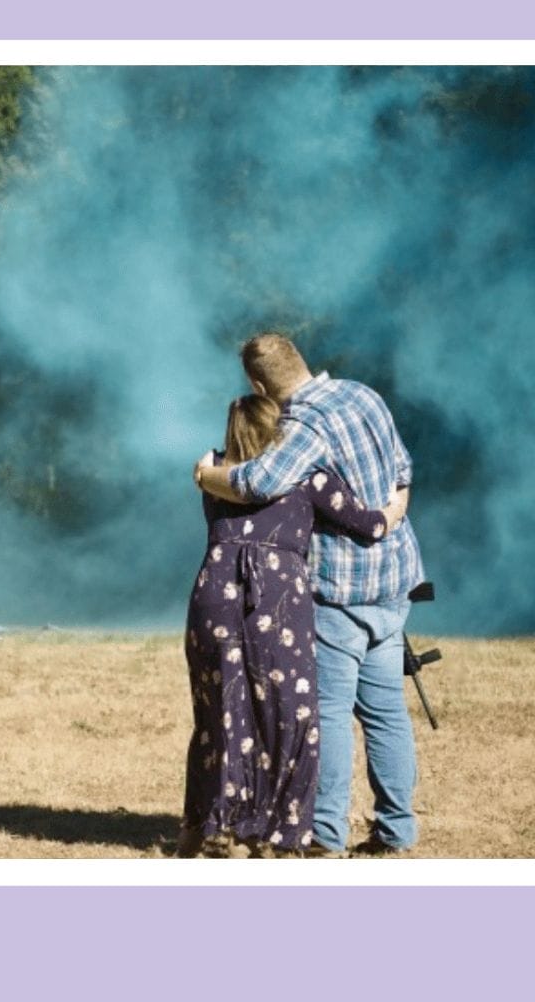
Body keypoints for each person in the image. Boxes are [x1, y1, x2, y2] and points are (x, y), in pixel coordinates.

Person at [194, 333, 426, 856]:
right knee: (387, 711)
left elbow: (257, 481)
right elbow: (404, 471)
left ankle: (325, 835)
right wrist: (391, 517)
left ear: (259, 385)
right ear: (300, 359)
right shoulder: (364, 394)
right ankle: (397, 832)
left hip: (342, 590)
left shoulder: (304, 424)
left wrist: (207, 474)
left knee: (328, 715)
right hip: (395, 583)